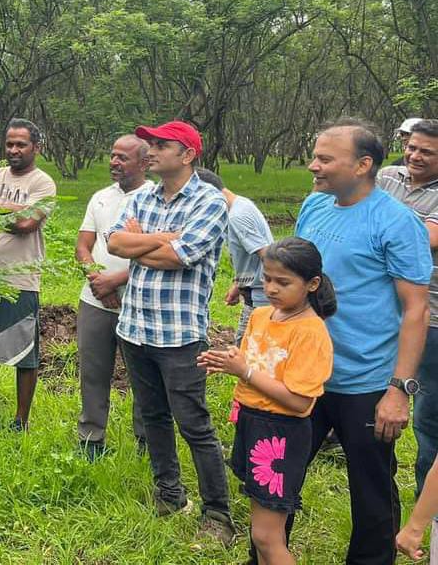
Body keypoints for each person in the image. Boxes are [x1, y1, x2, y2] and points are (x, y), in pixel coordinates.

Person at [293, 118, 430, 564]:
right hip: (304, 373)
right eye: (315, 156)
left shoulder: (396, 222)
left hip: (365, 380)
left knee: (371, 489)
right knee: (279, 475)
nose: (314, 165)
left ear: (363, 164)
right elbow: (294, 281)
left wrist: (398, 390)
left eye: (326, 159)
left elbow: (415, 309)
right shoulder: (315, 206)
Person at [106, 120, 235, 545]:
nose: (152, 150)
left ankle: (218, 515)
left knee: (194, 424)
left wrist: (145, 244)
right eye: (152, 144)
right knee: (153, 417)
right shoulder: (142, 194)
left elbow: (182, 256)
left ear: (188, 154)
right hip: (135, 328)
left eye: (163, 145)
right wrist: (160, 239)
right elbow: (115, 244)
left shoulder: (210, 202)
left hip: (179, 335)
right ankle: (170, 495)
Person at [198, 237, 336, 565]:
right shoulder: (261, 316)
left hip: (281, 434)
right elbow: (257, 363)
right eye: (267, 279)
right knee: (260, 531)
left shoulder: (311, 332)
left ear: (312, 284)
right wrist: (229, 361)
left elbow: (300, 402)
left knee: (266, 535)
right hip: (252, 422)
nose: (272, 288)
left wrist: (243, 370)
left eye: (283, 282)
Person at [0, 118, 56, 432]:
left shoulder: (42, 184)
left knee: (23, 352)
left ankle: (21, 419)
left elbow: (26, 224)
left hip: (20, 280)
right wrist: (9, 210)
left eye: (21, 144)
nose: (14, 150)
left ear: (36, 148)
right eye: (10, 144)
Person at [74, 134, 152, 460]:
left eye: (123, 157)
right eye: (113, 156)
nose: (114, 162)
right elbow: (83, 246)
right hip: (94, 301)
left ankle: (147, 444)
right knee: (93, 373)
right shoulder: (100, 197)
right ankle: (91, 441)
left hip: (139, 302)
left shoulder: (154, 199)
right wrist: (97, 280)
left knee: (144, 379)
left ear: (144, 163)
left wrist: (116, 281)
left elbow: (157, 252)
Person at [376, 118, 438, 499]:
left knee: (428, 419)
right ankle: (383, 502)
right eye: (411, 147)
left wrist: (378, 223)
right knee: (376, 408)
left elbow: (426, 239)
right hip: (381, 313)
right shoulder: (386, 176)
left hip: (430, 316)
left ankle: (427, 513)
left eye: (426, 152)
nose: (414, 156)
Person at [196, 168, 275, 344]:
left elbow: (269, 257)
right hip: (254, 291)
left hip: (261, 296)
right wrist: (239, 284)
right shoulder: (240, 204)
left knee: (248, 347)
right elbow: (252, 255)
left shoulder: (237, 216)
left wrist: (267, 299)